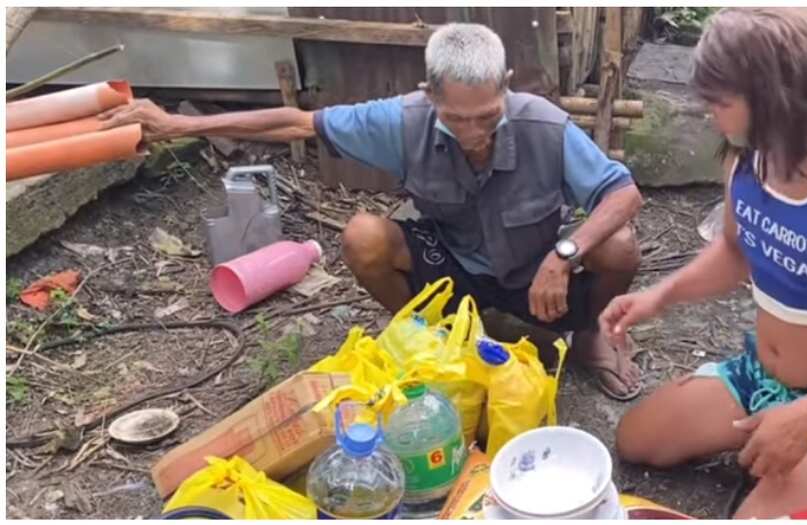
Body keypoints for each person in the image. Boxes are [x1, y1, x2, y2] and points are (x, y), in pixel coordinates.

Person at [99, 23, 645, 400]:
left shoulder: (543, 123)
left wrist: (563, 255)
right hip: (452, 265)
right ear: (428, 93)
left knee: (619, 245)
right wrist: (180, 124)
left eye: (487, 115)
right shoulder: (399, 120)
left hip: (534, 269)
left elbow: (622, 193)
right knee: (363, 235)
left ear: (505, 87)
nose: (475, 133)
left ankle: (591, 333)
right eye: (457, 118)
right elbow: (296, 123)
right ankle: (426, 342)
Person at [598, 7, 807, 519]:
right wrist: (659, 297)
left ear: (776, 97)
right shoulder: (747, 159)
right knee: (635, 439)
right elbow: (736, 251)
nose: (707, 112)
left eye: (720, 101)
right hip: (763, 373)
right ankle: (788, 450)